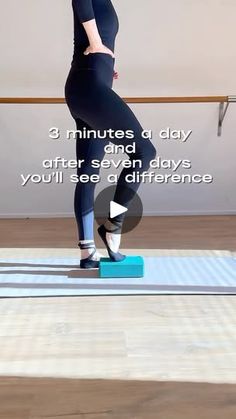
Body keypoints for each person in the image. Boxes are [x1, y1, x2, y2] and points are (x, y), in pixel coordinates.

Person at [65, 0, 156, 268]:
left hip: (87, 84)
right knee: (144, 152)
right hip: (89, 85)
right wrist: (96, 44)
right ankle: (113, 227)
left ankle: (87, 252)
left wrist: (105, 64)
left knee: (88, 172)